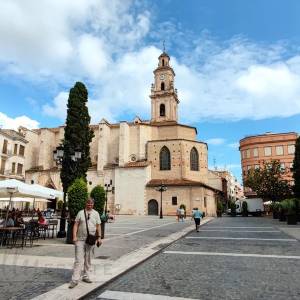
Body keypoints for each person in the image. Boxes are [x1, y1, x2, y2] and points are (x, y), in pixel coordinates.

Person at [69, 198, 102, 289]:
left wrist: (99, 237)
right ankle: (75, 280)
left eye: (91, 204)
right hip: (80, 239)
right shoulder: (80, 213)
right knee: (78, 260)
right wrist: (74, 236)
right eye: (88, 203)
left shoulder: (96, 214)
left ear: (93, 204)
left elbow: (98, 226)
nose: (89, 205)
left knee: (88, 260)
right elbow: (75, 225)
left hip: (90, 240)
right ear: (86, 203)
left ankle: (86, 276)